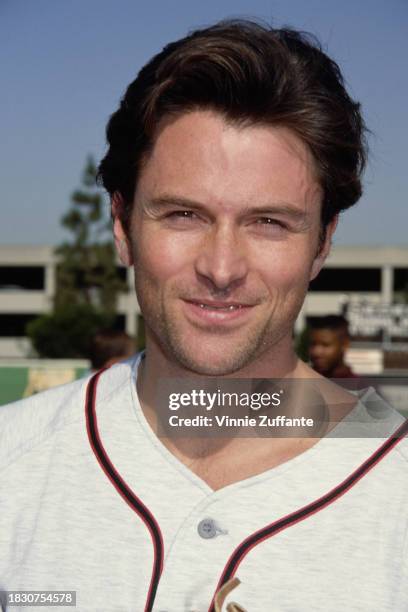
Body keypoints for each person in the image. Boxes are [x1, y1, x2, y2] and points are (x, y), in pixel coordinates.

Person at [1, 20, 407, 612]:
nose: (221, 267)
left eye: (269, 222)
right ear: (122, 225)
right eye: (183, 215)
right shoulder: (12, 464)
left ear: (321, 243)